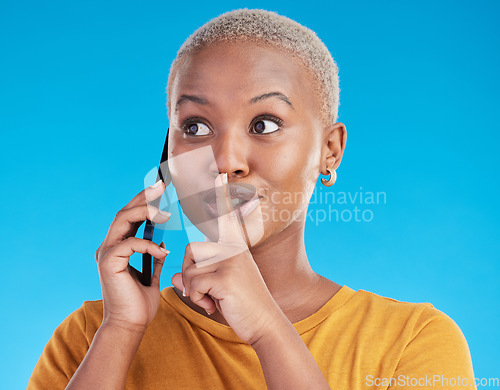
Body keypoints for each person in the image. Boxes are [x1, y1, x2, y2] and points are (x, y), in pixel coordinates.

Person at [28, 9, 476, 390]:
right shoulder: (92, 336)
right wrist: (121, 331)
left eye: (264, 124)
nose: (225, 161)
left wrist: (266, 328)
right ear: (167, 153)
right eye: (196, 127)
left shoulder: (413, 340)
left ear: (330, 151)